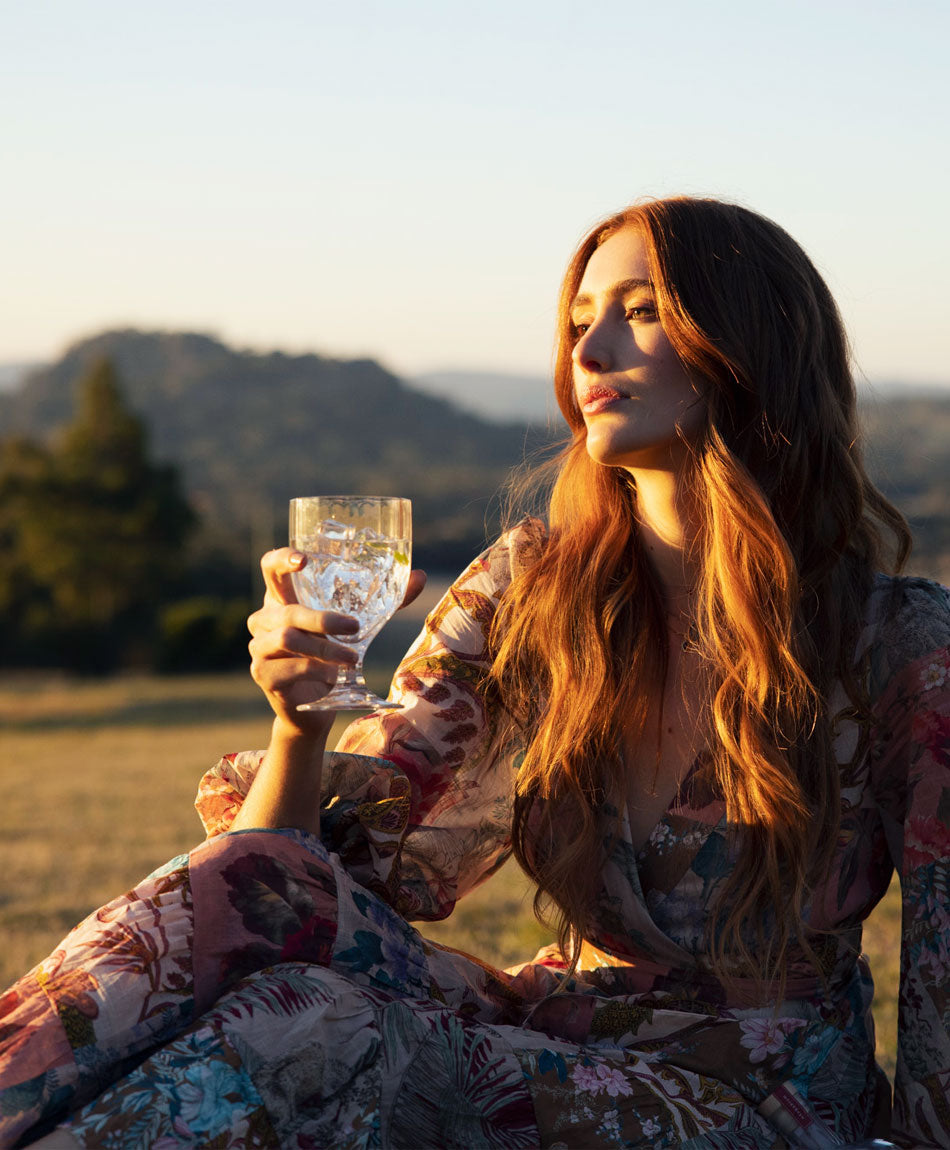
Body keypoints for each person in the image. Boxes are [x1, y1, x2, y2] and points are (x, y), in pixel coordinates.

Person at [2, 196, 948, 1148]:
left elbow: (944, 969)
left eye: (641, 310)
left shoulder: (898, 644)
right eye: (579, 322)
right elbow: (306, 880)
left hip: (759, 1102)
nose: (587, 353)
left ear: (753, 342)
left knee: (317, 1031)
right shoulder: (533, 590)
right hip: (560, 1032)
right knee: (259, 909)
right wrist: (300, 724)